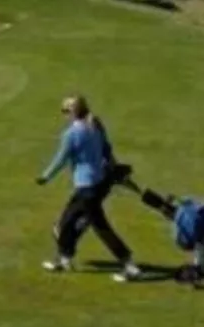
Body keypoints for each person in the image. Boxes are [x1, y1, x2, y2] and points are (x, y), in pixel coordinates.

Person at [37, 94, 143, 282]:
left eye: (65, 111)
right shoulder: (95, 126)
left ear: (73, 112)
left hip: (87, 189)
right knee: (66, 222)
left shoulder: (72, 134)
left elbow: (61, 159)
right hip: (98, 184)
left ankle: (129, 265)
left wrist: (46, 176)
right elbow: (107, 151)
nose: (63, 115)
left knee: (100, 227)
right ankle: (64, 258)